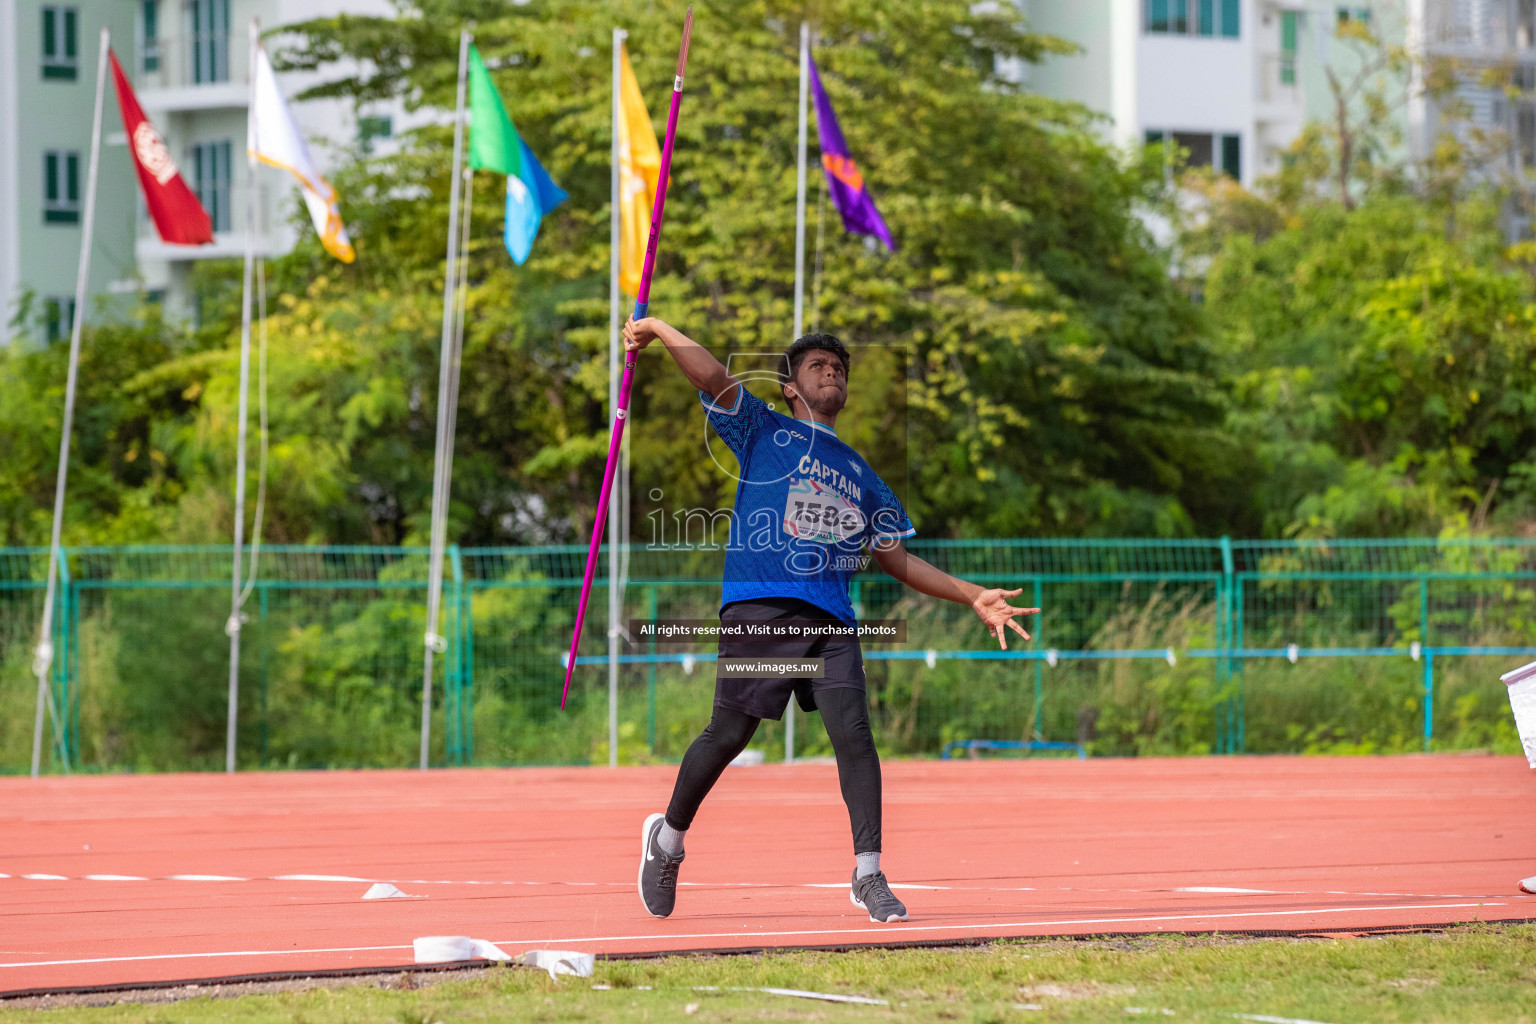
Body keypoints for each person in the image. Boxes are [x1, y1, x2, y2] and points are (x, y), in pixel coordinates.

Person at [623, 316, 1039, 923]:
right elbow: (712, 376)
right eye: (819, 367)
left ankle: (868, 872)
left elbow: (895, 557)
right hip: (761, 604)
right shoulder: (763, 429)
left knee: (854, 735)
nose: (832, 374)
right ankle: (667, 840)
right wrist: (658, 327)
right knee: (730, 735)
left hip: (831, 620)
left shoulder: (862, 474)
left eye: (839, 369)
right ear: (791, 386)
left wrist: (972, 594)